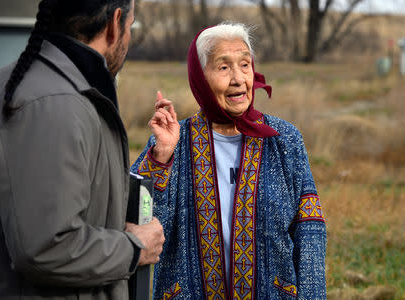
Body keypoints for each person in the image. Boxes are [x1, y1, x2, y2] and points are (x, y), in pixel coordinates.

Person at [131, 22, 327, 299]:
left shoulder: (284, 140)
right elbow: (140, 224)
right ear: (200, 77)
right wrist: (161, 156)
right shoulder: (174, 141)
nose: (238, 79)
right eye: (223, 67)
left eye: (245, 65)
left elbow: (309, 229)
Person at [0, 0, 165, 299]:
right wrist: (134, 249)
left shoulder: (60, 90)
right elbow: (46, 247)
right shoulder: (55, 105)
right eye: (131, 25)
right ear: (115, 24)